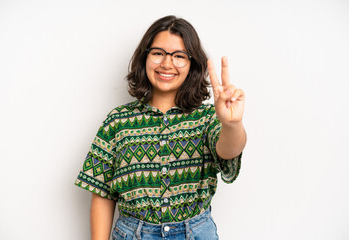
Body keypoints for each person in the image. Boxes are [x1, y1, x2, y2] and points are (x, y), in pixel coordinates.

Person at [75, 15, 246, 240]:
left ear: (192, 64)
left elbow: (228, 151)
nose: (167, 63)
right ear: (145, 57)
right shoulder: (117, 122)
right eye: (158, 53)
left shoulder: (207, 118)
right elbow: (102, 192)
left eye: (179, 56)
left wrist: (232, 124)